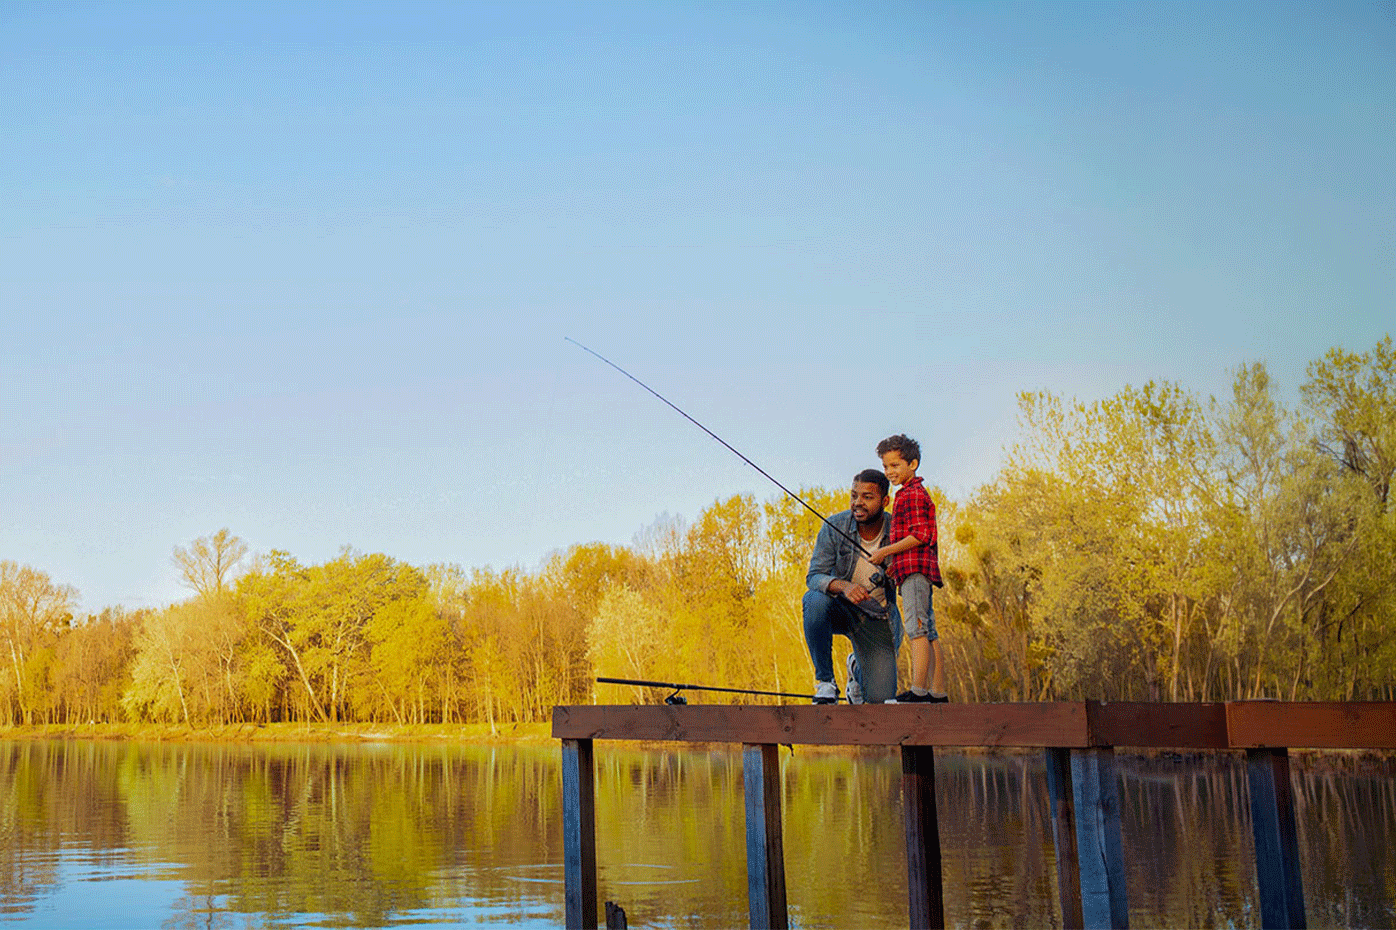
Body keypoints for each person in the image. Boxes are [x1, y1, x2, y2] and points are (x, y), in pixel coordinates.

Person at [803, 469, 902, 705]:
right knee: (814, 599)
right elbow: (814, 576)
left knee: (880, 700)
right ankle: (825, 683)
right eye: (854, 495)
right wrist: (843, 586)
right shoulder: (834, 526)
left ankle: (856, 671)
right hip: (840, 608)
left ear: (885, 501)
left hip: (878, 618)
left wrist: (898, 572)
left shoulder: (898, 529)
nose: (858, 503)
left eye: (867, 497)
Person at [870, 434, 948, 703]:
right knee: (929, 631)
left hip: (916, 573)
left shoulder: (911, 494)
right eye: (886, 467)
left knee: (917, 630)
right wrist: (894, 566)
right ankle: (938, 693)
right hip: (915, 570)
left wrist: (885, 552)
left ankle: (918, 691)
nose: (889, 472)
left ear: (912, 464)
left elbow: (919, 535)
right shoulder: (909, 493)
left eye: (895, 466)